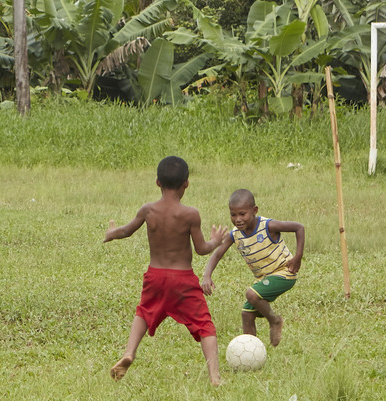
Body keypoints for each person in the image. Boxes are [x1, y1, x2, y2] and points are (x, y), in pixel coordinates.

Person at [103, 155, 225, 385]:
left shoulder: (148, 210)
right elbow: (201, 249)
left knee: (143, 312)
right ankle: (215, 376)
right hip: (183, 279)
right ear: (186, 183)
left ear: (157, 182)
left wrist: (111, 233)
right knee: (205, 325)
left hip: (155, 276)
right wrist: (215, 241)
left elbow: (127, 230)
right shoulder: (190, 214)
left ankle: (129, 352)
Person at [201, 188, 304, 347]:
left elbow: (299, 227)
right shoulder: (236, 234)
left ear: (254, 211)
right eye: (233, 215)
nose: (237, 219)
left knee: (251, 294)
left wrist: (297, 257)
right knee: (246, 314)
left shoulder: (268, 226)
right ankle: (250, 350)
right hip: (264, 279)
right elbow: (217, 254)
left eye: (242, 214)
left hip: (284, 273)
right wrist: (207, 275)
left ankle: (274, 320)